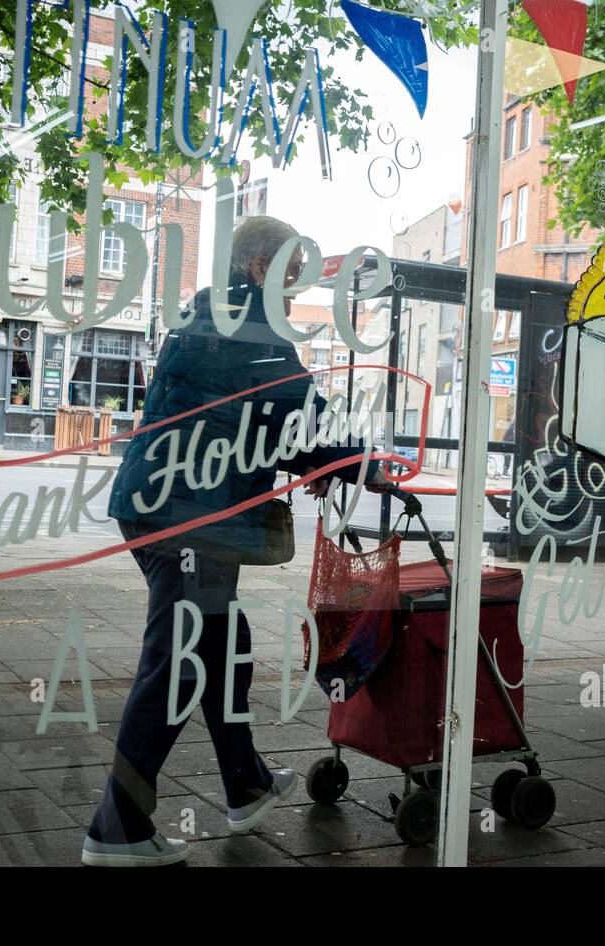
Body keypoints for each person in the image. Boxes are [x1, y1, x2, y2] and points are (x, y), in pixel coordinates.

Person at [83, 216, 387, 866]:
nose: (290, 295)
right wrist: (365, 467)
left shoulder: (214, 317)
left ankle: (245, 785)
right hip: (185, 515)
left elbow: (254, 416)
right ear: (259, 269)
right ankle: (118, 825)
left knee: (221, 648)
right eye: (288, 280)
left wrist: (309, 460)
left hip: (169, 506)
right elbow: (303, 415)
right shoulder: (251, 327)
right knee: (182, 660)